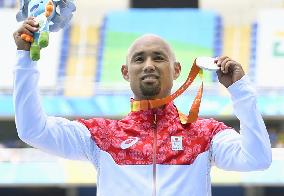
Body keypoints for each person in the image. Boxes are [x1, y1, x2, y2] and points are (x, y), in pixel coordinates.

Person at [13, 17, 272, 196]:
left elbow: (257, 158)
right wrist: (25, 59)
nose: (149, 65)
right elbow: (32, 131)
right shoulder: (101, 136)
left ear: (177, 70)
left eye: (158, 58)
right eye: (139, 59)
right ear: (126, 72)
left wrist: (240, 92)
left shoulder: (206, 135)